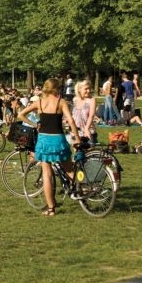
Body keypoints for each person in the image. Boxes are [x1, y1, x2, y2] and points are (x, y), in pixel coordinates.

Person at [17, 78, 81, 216]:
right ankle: (83, 190)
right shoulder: (61, 102)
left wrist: (35, 125)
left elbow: (20, 115)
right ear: (57, 89)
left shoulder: (38, 102)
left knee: (47, 174)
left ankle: (51, 208)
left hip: (43, 140)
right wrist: (77, 138)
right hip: (58, 139)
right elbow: (70, 120)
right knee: (69, 170)